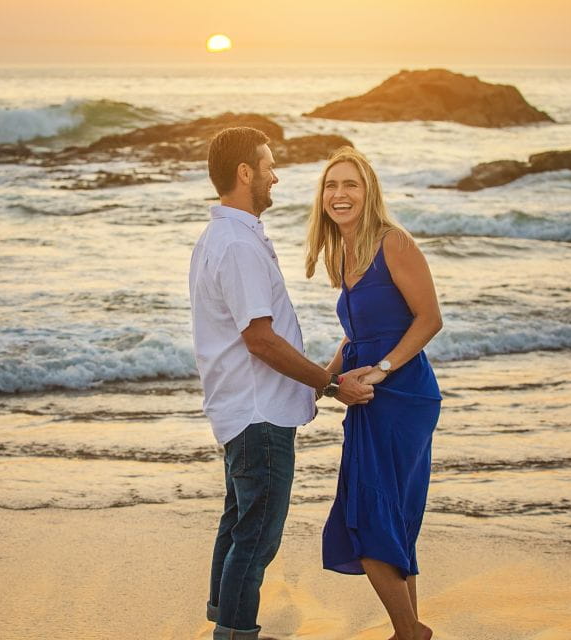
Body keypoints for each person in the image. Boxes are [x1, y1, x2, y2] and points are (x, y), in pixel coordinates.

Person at [190, 127, 375, 640]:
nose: (276, 175)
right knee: (257, 534)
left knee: (238, 522)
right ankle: (234, 632)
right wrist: (331, 386)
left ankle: (224, 619)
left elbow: (255, 339)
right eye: (268, 166)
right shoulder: (236, 245)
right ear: (245, 173)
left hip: (242, 407)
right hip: (258, 415)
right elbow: (259, 340)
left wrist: (326, 371)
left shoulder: (224, 236)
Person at [306, 147, 443, 640]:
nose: (339, 195)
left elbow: (430, 319)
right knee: (387, 515)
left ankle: (409, 634)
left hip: (402, 396)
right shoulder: (342, 252)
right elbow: (356, 335)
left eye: (351, 186)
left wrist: (382, 370)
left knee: (368, 516)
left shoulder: (394, 243)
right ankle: (410, 630)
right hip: (365, 394)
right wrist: (319, 382)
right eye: (331, 186)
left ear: (369, 193)